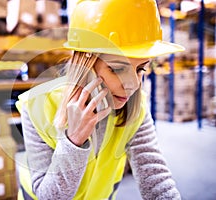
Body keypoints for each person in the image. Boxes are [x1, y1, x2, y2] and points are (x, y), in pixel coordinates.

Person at [16, 0, 185, 199]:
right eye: (117, 69)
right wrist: (73, 141)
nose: (132, 85)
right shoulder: (37, 106)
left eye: (140, 69)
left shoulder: (136, 108)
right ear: (85, 63)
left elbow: (156, 179)